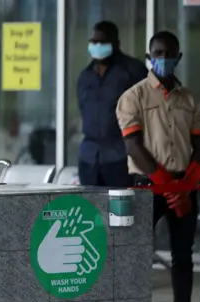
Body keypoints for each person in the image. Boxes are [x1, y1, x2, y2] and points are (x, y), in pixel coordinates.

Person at [116, 31, 200, 302]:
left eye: (169, 53)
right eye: (158, 52)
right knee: (139, 254)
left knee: (183, 254)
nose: (163, 58)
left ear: (178, 58)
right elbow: (134, 147)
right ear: (148, 57)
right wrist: (164, 183)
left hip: (184, 186)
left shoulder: (190, 99)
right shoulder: (134, 97)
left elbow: (199, 145)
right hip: (148, 189)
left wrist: (189, 181)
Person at [77, 21, 148, 187]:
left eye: (103, 42)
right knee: (91, 210)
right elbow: (83, 109)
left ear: (116, 43)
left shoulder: (133, 71)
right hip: (89, 157)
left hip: (121, 156)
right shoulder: (85, 76)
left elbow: (148, 110)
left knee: (120, 210)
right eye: (94, 42)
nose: (98, 46)